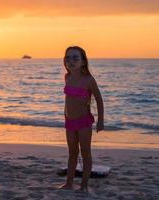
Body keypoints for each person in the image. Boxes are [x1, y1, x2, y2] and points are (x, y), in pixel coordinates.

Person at [59, 46, 104, 192]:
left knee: (85, 152)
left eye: (75, 58)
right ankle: (69, 183)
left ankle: (84, 186)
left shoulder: (89, 80)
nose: (71, 61)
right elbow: (69, 100)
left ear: (83, 62)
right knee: (72, 152)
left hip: (83, 122)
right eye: (68, 58)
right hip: (69, 122)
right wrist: (65, 114)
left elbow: (99, 99)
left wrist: (101, 120)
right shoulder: (67, 77)